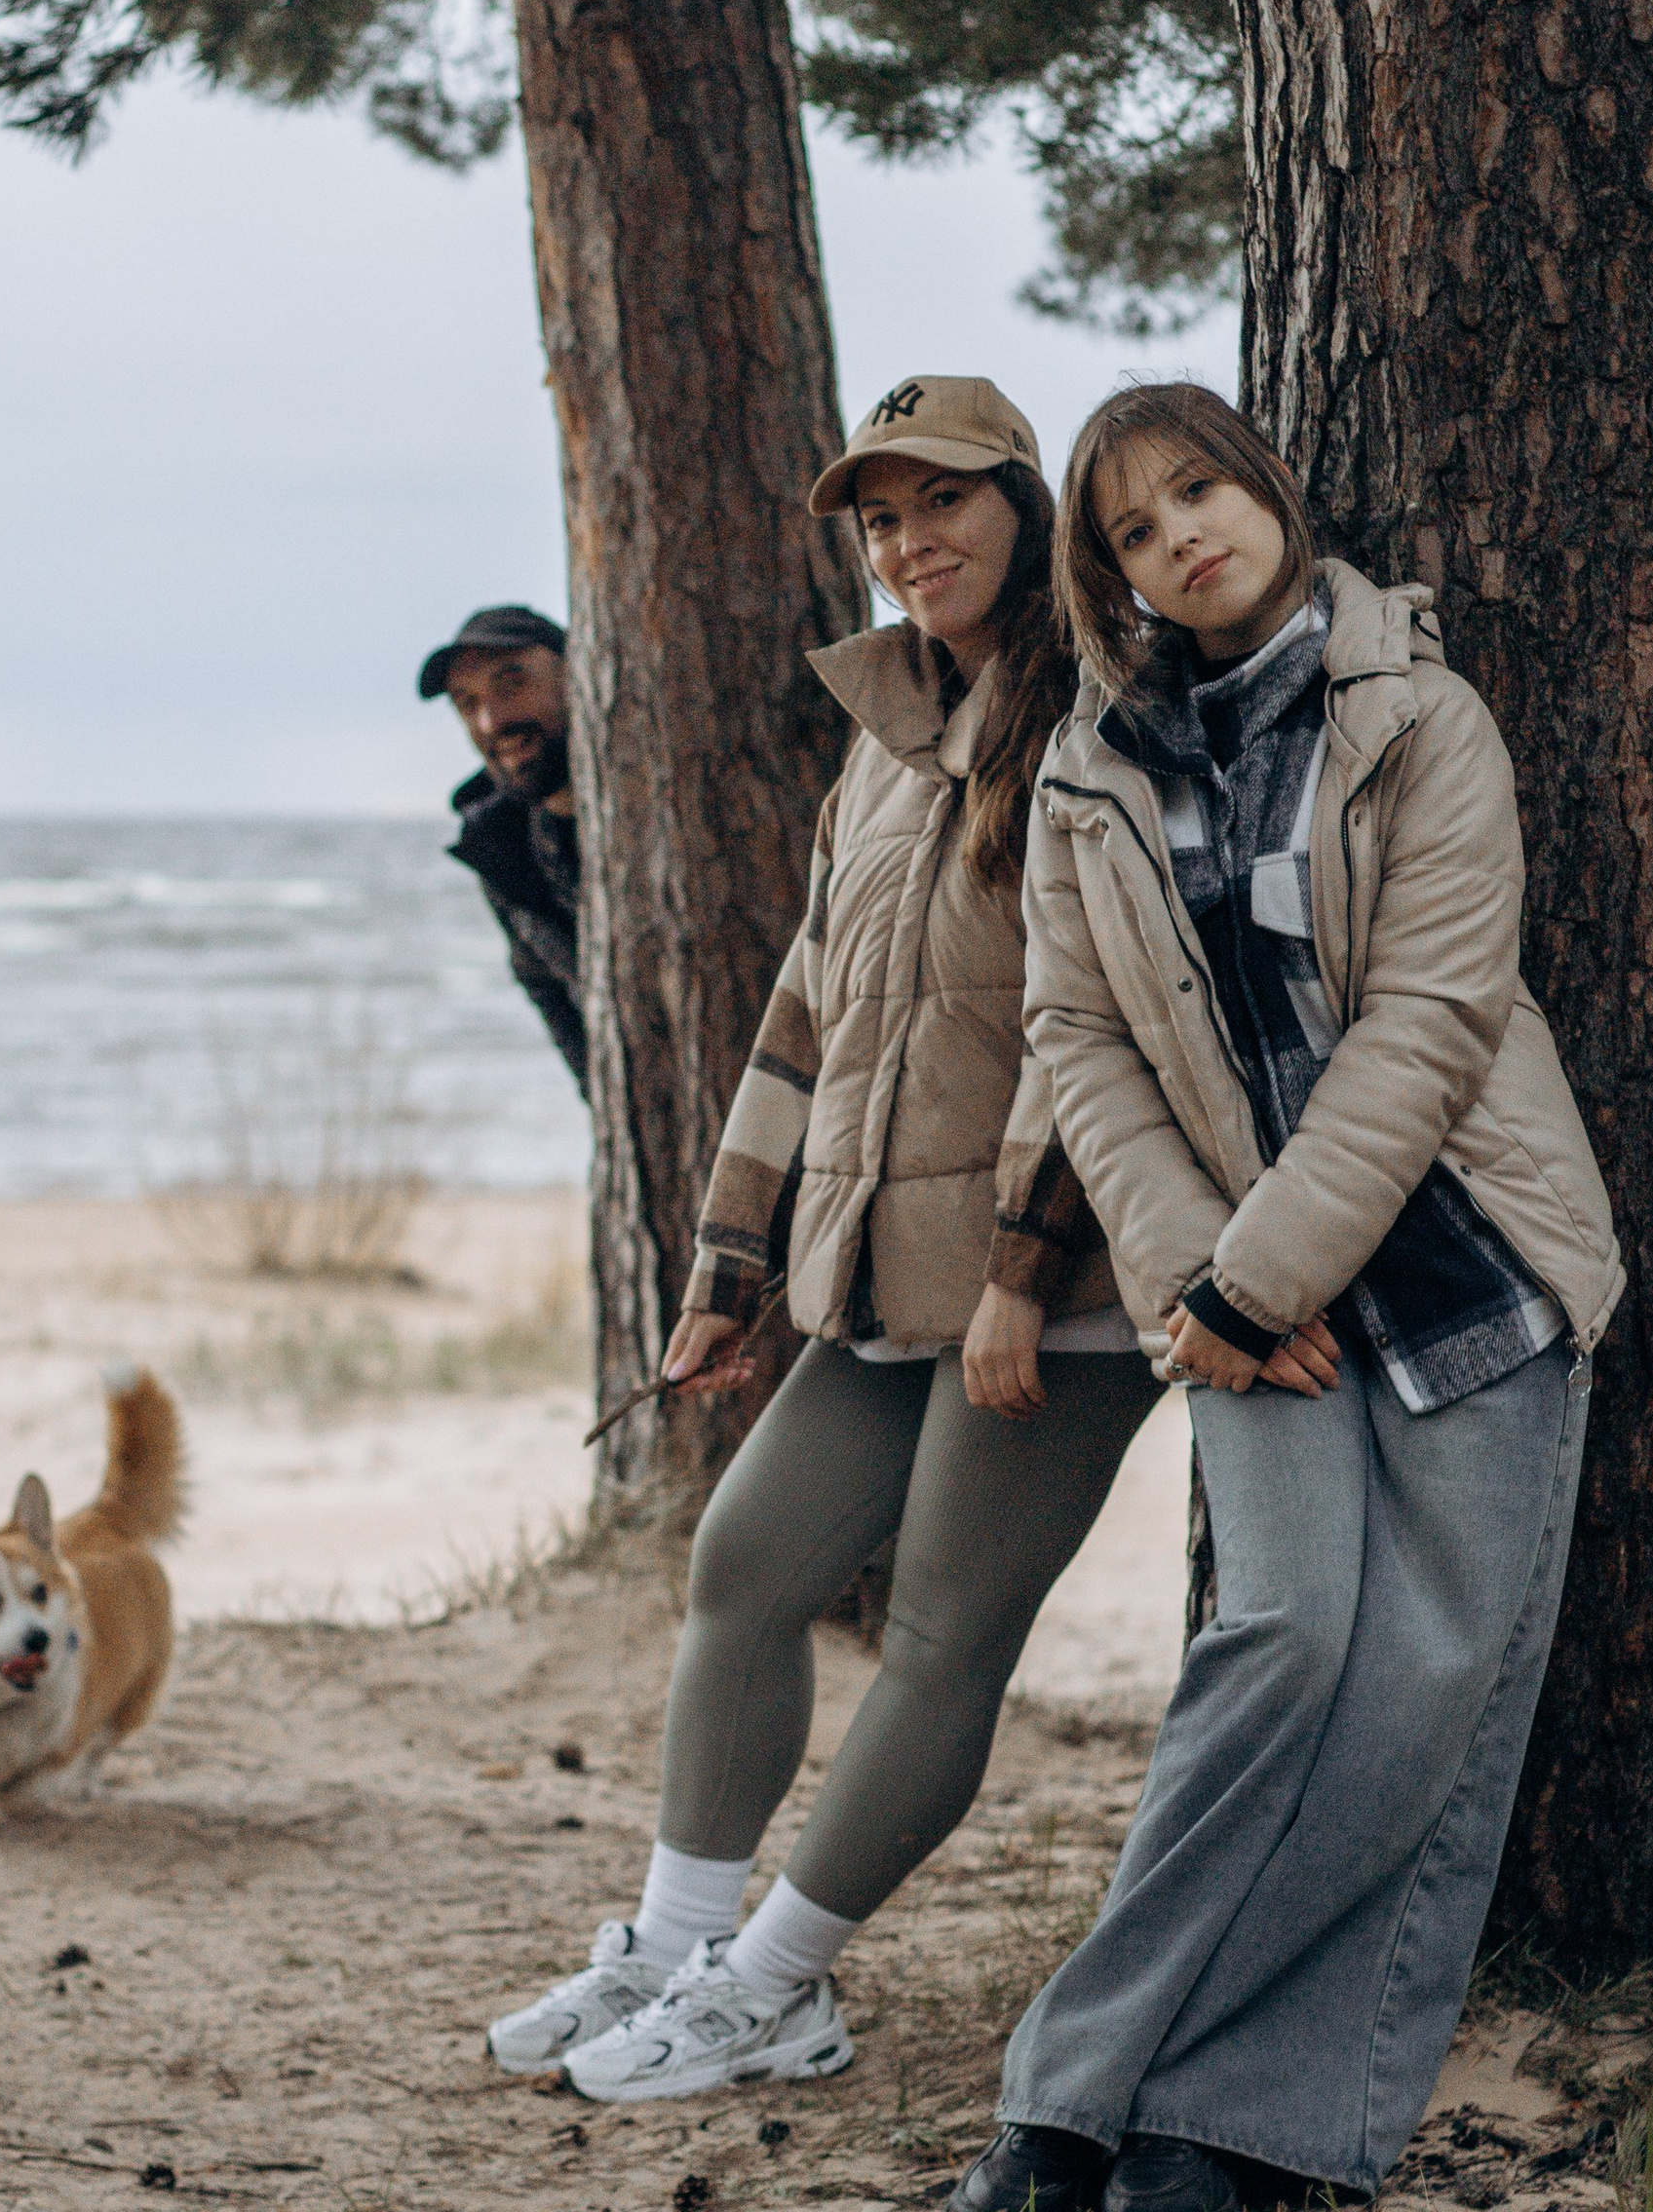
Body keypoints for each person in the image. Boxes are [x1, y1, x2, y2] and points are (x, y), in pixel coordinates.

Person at [950, 381, 1623, 2212]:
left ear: (1266, 486)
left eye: (1201, 491)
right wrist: (1201, 1281)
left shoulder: (1421, 718)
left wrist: (1257, 1278)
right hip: (1238, 1292)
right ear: (1118, 583)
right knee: (1284, 1646)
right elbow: (1079, 1043)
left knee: (1422, 1690)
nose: (1185, 537)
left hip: (1466, 1261)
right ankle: (1075, 2083)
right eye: (1139, 532)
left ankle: (1250, 2113)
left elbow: (1430, 1024)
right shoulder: (1089, 774)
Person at [486, 377, 1164, 2104]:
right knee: (745, 1567)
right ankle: (671, 1941)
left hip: (1059, 1277)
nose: (908, 543)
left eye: (941, 502)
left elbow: (1119, 1015)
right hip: (874, 1263)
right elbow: (812, 1011)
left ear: (1025, 504)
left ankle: (781, 1982)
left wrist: (1023, 1272)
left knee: (942, 1634)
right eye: (878, 520)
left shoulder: (1108, 709)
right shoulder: (882, 734)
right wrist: (734, 1270)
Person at [420, 604, 586, 1092]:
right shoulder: (499, 849)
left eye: (512, 683)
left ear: (580, 671)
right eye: (467, 704)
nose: (490, 721)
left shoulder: (667, 798)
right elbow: (552, 999)